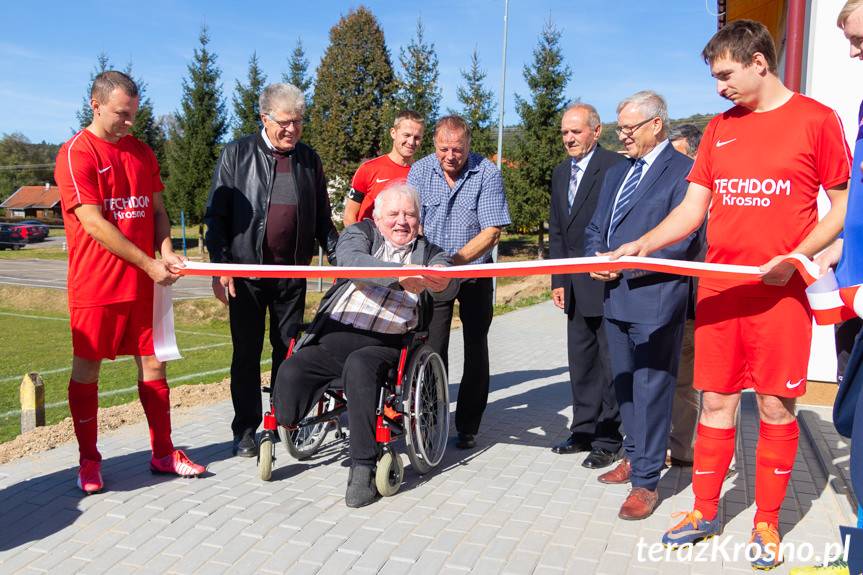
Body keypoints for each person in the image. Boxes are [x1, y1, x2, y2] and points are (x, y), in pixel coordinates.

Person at [607, 21, 850, 569]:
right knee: (715, 402)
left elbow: (841, 208)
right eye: (715, 76)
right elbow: (693, 209)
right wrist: (641, 243)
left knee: (775, 405)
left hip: (779, 291)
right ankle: (704, 508)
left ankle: (766, 522)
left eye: (725, 74)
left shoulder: (816, 120)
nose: (718, 87)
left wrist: (793, 257)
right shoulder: (719, 128)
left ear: (759, 62)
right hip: (719, 288)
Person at [54, 71, 206, 494]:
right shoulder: (75, 153)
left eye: (134, 114)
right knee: (87, 368)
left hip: (144, 281)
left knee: (154, 363)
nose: (129, 123)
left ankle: (163, 452)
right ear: (96, 104)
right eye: (122, 114)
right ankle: (88, 461)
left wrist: (166, 250)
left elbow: (157, 208)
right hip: (97, 284)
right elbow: (92, 222)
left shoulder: (141, 152)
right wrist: (148, 263)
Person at [272, 183, 457, 508]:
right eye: (394, 214)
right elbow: (349, 259)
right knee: (291, 370)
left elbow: (448, 283)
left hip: (383, 345)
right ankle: (287, 421)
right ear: (376, 216)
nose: (402, 221)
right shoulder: (361, 234)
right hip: (334, 335)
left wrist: (440, 277)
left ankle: (364, 466)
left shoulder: (429, 252)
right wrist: (401, 275)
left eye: (410, 214)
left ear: (419, 220)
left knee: (359, 367)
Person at [204, 83, 338, 458]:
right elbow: (216, 219)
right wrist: (221, 268)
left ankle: (281, 421)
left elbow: (323, 222)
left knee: (288, 352)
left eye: (298, 122)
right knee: (246, 355)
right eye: (284, 122)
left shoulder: (309, 161)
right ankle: (245, 430)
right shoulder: (236, 154)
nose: (291, 129)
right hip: (246, 278)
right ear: (264, 118)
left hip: (291, 277)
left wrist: (343, 257)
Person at [584, 91, 700, 521]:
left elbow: (684, 239)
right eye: (620, 128)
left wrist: (626, 267)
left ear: (656, 125)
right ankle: (634, 455)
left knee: (653, 389)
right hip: (615, 295)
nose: (623, 136)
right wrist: (599, 260)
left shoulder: (685, 171)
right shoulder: (618, 172)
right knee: (626, 384)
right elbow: (599, 226)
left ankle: (648, 482)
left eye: (630, 128)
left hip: (656, 297)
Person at [793, 4, 863, 574]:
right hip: (854, 297)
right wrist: (819, 253)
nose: (852, 53)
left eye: (860, 40)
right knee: (856, 430)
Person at [408, 115, 511, 449]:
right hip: (434, 275)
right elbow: (412, 222)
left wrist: (454, 262)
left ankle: (468, 425)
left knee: (475, 347)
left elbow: (492, 230)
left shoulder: (487, 172)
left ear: (469, 145)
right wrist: (432, 263)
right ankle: (431, 420)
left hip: (474, 272)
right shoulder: (421, 171)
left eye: (457, 149)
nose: (450, 156)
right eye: (443, 148)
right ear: (434, 144)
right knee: (431, 347)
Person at [548, 103, 626, 468]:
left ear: (596, 132)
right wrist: (558, 280)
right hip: (574, 286)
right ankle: (582, 431)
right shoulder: (561, 173)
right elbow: (559, 233)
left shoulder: (615, 167)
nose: (569, 138)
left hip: (607, 282)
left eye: (576, 132)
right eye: (564, 132)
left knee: (608, 364)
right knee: (580, 363)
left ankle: (608, 438)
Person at [666, 123, 705, 468]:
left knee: (687, 382)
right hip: (665, 299)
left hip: (696, 303)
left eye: (676, 157)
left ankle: (684, 449)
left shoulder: (706, 195)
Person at [342, 110, 425, 226]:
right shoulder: (368, 169)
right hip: (369, 241)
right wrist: (358, 242)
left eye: (417, 137)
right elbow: (349, 216)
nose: (411, 142)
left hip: (404, 241)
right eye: (406, 135)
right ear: (393, 133)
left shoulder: (422, 173)